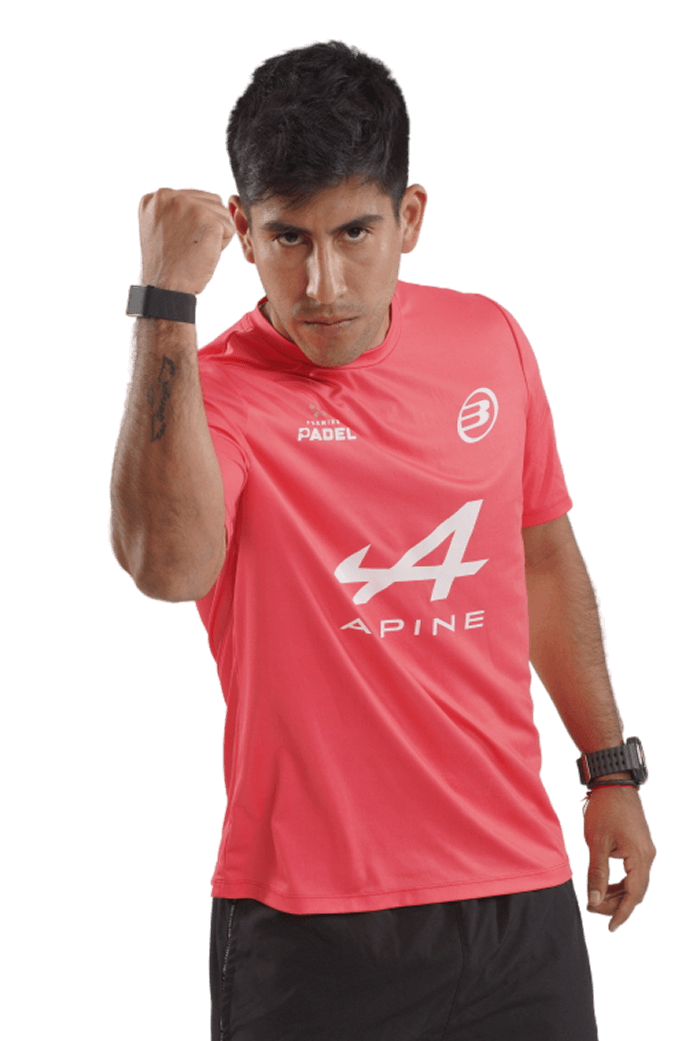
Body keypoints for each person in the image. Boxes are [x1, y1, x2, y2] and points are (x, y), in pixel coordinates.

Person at [110, 39, 656, 1041]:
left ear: (409, 218)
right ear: (241, 230)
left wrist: (607, 766)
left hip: (516, 898)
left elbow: (541, 559)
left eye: (354, 231)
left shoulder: (488, 338)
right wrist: (164, 305)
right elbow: (167, 567)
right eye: (287, 238)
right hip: (306, 926)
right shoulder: (212, 392)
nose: (322, 281)